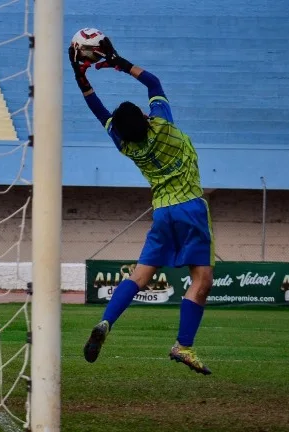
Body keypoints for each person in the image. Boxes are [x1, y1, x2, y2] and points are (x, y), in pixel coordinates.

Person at [69, 37, 213, 375]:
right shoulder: (163, 125)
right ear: (146, 118)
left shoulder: (125, 145)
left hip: (163, 213)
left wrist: (83, 80)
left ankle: (106, 322)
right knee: (202, 279)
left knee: (139, 275)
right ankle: (184, 345)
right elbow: (153, 82)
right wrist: (119, 62)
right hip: (190, 207)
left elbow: (99, 112)